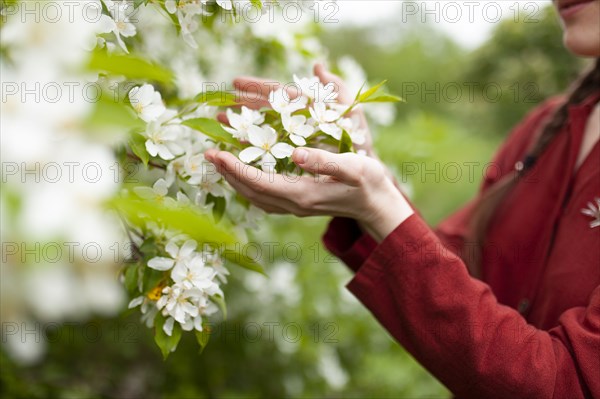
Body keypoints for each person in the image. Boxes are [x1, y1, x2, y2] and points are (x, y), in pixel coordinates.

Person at [205, 0, 600, 396]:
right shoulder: (546, 127)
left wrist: (380, 205)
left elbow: (568, 382)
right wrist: (363, 173)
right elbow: (461, 274)